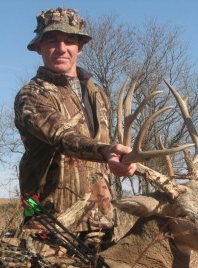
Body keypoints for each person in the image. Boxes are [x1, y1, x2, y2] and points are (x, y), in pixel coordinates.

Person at [14, 7, 136, 250]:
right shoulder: (31, 95)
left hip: (100, 222)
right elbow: (62, 136)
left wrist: (126, 160)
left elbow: (106, 149)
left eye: (69, 41)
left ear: (79, 47)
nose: (61, 48)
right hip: (48, 223)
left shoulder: (98, 94)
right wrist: (106, 150)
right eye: (52, 41)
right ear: (39, 47)